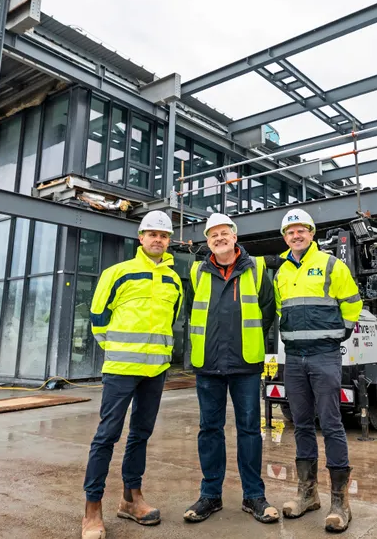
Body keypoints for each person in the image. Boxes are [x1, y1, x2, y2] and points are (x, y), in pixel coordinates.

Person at [80, 210, 182, 539]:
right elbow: (98, 318)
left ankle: (131, 499)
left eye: (163, 235)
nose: (158, 239)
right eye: (152, 233)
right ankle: (92, 509)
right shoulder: (118, 273)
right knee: (106, 437)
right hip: (121, 370)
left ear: (169, 241)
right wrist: (118, 350)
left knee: (140, 435)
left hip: (156, 372)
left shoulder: (174, 280)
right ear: (141, 238)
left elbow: (172, 320)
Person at [183, 213, 280, 525]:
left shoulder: (256, 269)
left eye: (224, 233)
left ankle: (254, 495)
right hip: (208, 364)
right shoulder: (198, 272)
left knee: (250, 430)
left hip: (246, 363)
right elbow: (191, 311)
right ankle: (210, 495)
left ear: (235, 237)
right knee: (209, 430)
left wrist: (248, 342)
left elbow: (268, 311)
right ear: (207, 241)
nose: (219, 238)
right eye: (213, 235)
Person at [275, 208, 362, 533]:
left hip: (325, 356)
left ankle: (340, 502)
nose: (296, 236)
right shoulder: (281, 271)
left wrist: (342, 331)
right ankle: (307, 493)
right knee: (300, 425)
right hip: (294, 358)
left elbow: (352, 301)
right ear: (285, 238)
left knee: (331, 423)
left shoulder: (330, 265)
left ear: (311, 234)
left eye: (301, 230)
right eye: (290, 232)